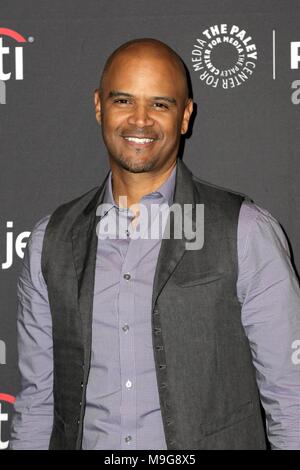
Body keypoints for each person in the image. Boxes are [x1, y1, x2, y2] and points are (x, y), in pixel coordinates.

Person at [9, 38, 300, 450]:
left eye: (160, 104)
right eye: (124, 100)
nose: (140, 120)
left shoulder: (245, 232)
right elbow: (38, 407)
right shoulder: (49, 241)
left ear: (185, 116)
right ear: (99, 107)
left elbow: (291, 402)